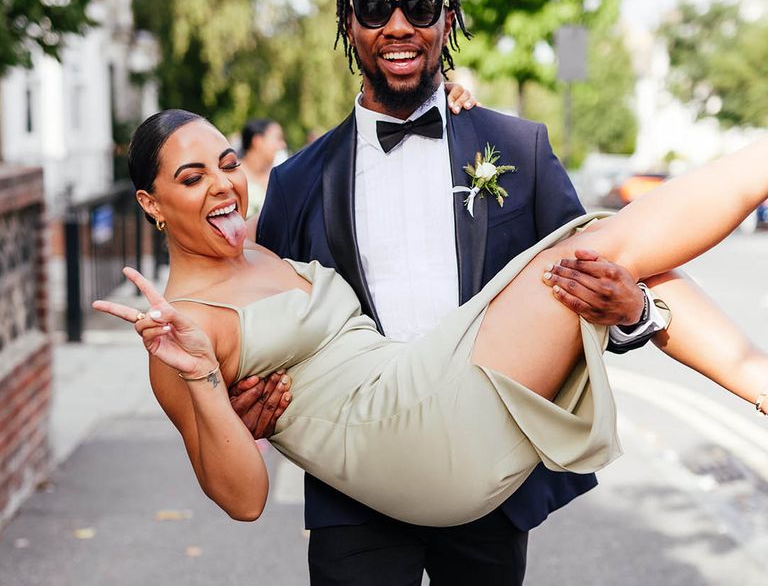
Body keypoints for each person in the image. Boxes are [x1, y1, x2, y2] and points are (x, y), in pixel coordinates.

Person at [95, 109, 768, 547]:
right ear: (151, 203)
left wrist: (444, 104)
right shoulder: (180, 336)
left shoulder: (259, 249)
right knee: (593, 250)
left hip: (415, 380)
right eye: (191, 177)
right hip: (407, 433)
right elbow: (242, 499)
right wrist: (207, 381)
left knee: (595, 250)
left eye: (227, 163)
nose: (222, 185)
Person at [229, 0, 668, 584]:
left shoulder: (517, 146)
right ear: (349, 25)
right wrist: (250, 400)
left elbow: (598, 273)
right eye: (375, 8)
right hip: (356, 483)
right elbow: (269, 319)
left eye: (421, 5)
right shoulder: (297, 182)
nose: (398, 25)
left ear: (449, 19)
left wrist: (631, 314)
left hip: (488, 469)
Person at [239, 118, 286, 226]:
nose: (282, 145)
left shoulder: (277, 177)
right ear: (258, 141)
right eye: (278, 138)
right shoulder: (233, 174)